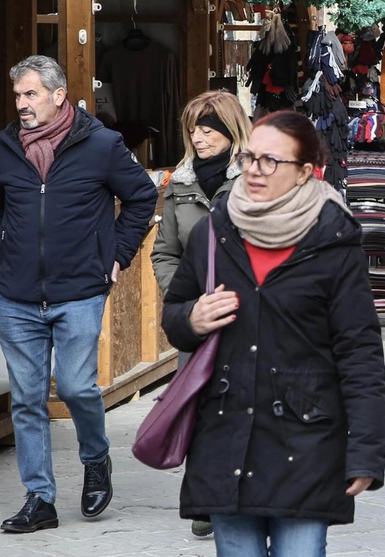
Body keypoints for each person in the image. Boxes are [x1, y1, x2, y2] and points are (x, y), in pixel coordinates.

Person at [160, 111, 385, 556]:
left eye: (271, 161)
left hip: (306, 440)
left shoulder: (333, 241)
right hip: (227, 437)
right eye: (249, 158)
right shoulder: (215, 231)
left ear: (305, 172)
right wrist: (192, 318)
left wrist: (365, 452)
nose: (255, 170)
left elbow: (360, 354)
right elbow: (174, 318)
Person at [0, 55, 158, 533]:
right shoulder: (1, 148)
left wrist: (116, 253)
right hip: (17, 297)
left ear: (59, 96)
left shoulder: (100, 145)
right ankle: (40, 498)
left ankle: (96, 459)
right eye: (17, 95)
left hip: (79, 291)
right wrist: (5, 249)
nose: (22, 104)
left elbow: (141, 196)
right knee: (27, 398)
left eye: (31, 94)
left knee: (76, 386)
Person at [148, 90, 251, 538]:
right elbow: (165, 252)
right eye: (193, 128)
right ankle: (208, 501)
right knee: (199, 407)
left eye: (208, 128)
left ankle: (251, 487)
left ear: (230, 131)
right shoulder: (181, 183)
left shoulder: (255, 178)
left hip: (250, 315)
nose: (198, 136)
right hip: (198, 320)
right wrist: (185, 302)